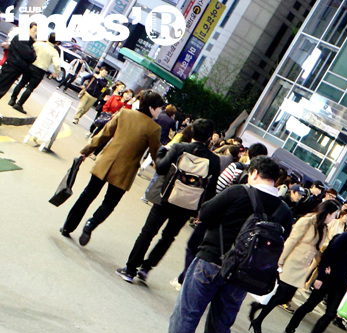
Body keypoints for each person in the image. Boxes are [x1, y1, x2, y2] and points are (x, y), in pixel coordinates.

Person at [147, 156, 293, 333]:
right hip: (244, 275)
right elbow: (280, 239)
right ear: (275, 180)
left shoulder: (238, 192)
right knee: (221, 323)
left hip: (212, 260)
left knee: (188, 313)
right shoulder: (284, 210)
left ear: (254, 173)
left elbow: (204, 213)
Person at [115, 118, 221, 283]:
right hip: (188, 205)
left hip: (167, 197)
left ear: (192, 132)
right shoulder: (214, 160)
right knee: (168, 237)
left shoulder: (179, 148)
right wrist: (201, 211)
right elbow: (211, 189)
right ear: (209, 137)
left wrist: (161, 152)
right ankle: (146, 268)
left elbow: (162, 167)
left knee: (148, 233)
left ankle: (130, 269)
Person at [61, 90, 164, 245]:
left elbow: (104, 134)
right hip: (125, 171)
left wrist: (85, 152)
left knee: (87, 194)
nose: (160, 111)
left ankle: (67, 227)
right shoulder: (154, 128)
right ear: (151, 108)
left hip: (106, 161)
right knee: (109, 203)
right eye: (159, 108)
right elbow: (157, 155)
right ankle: (91, 224)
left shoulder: (124, 114)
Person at [247, 199, 341, 333]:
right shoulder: (308, 221)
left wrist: (324, 265)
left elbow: (317, 250)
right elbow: (292, 240)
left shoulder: (324, 228)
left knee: (286, 298)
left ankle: (257, 307)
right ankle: (258, 321)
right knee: (281, 294)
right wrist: (280, 261)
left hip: (302, 267)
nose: (334, 218)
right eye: (334, 215)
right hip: (291, 262)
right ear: (327, 213)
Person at [8, 31, 60, 113]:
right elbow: (56, 64)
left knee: (21, 83)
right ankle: (19, 104)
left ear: (48, 38)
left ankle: (12, 99)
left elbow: (29, 50)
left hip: (30, 65)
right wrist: (57, 72)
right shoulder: (54, 52)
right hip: (40, 71)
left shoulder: (38, 43)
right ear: (57, 42)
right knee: (30, 88)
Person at [0, 22, 37, 104]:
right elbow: (30, 56)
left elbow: (32, 56)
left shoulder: (28, 42)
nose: (36, 33)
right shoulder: (22, 38)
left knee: (3, 88)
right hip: (12, 67)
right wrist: (32, 55)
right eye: (34, 30)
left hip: (15, 68)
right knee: (2, 87)